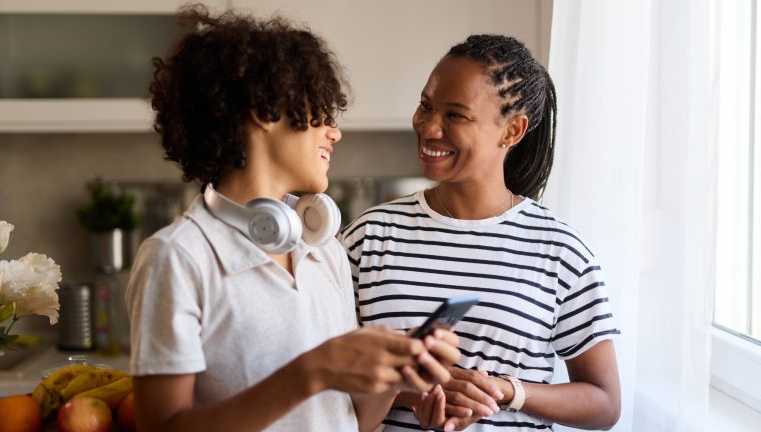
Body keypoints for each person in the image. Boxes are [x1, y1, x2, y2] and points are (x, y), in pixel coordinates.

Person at [125, 6, 460, 432]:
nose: (335, 132)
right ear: (265, 111)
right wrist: (312, 372)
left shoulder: (324, 253)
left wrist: (397, 376)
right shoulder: (177, 257)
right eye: (321, 112)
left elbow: (355, 421)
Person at [338, 34, 621, 431]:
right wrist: (416, 389)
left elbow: (604, 403)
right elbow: (325, 375)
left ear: (512, 131)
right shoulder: (367, 238)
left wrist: (506, 390)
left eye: (455, 115)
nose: (429, 126)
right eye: (425, 105)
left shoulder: (562, 252)